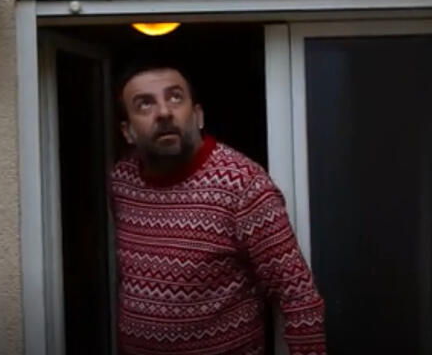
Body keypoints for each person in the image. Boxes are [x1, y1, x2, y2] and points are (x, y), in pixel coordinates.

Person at [110, 64, 326, 355]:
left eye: (175, 97)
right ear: (128, 132)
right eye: (144, 104)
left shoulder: (244, 186)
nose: (163, 112)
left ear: (198, 115)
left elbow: (298, 296)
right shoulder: (121, 180)